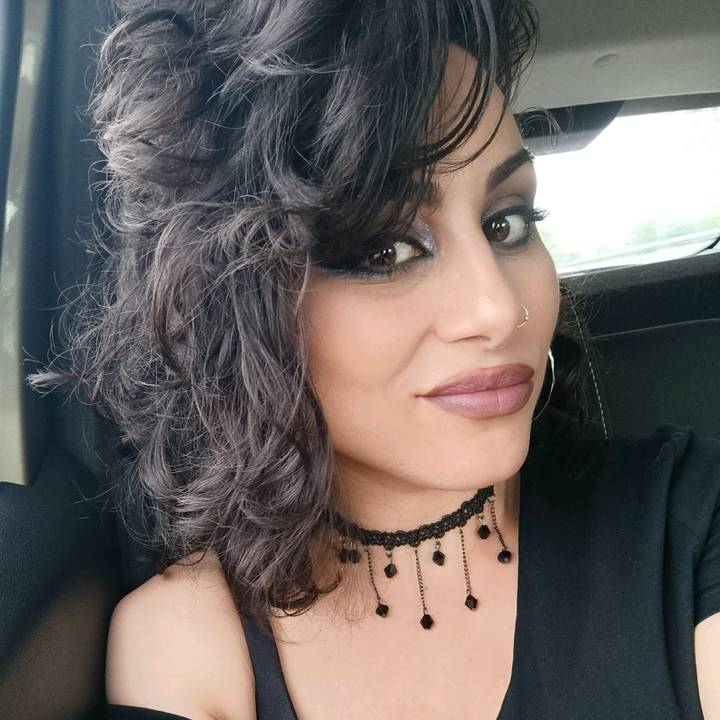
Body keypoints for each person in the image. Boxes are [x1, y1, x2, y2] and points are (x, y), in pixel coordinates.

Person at [28, 1, 720, 718]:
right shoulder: (185, 642)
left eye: (506, 223)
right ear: (234, 305)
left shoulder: (685, 521)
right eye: (385, 250)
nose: (496, 308)